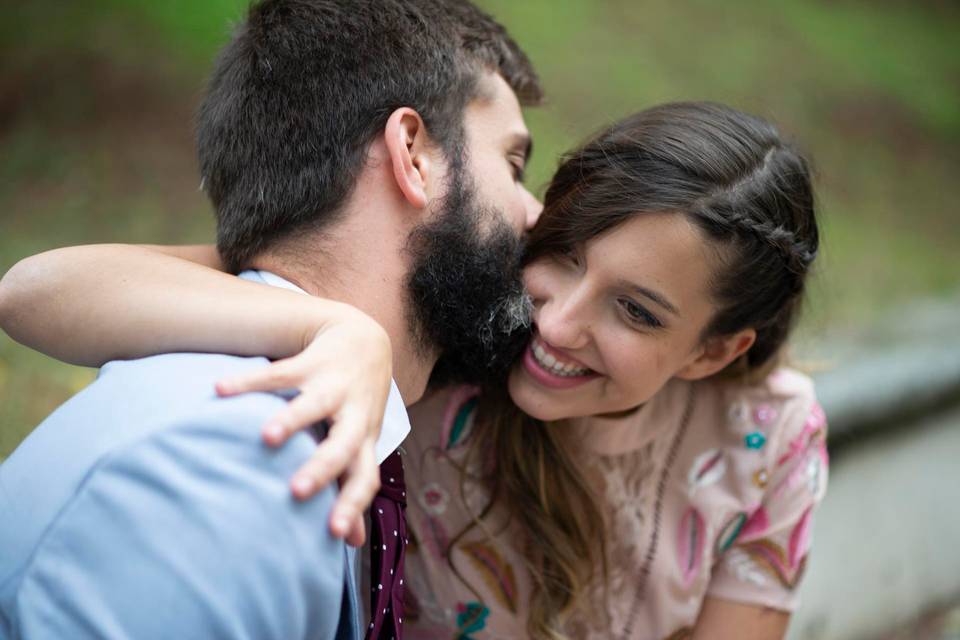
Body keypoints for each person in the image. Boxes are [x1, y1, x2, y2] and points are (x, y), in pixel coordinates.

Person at [1, 103, 826, 639]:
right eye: (565, 257)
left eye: (636, 311)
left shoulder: (770, 436)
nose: (559, 321)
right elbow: (39, 291)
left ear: (716, 351)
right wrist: (334, 327)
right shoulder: (457, 337)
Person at [0, 0, 545, 638]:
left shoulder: (300, 423)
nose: (534, 213)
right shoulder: (222, 478)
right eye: (512, 163)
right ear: (414, 155)